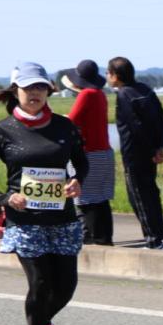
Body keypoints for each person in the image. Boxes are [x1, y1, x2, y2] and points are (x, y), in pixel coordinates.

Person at [0, 62, 87, 325]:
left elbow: (82, 163)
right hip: (25, 222)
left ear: (49, 90)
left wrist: (77, 181)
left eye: (40, 87)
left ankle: (42, 320)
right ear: (16, 91)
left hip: (62, 219)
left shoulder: (65, 127)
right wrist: (5, 198)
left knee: (65, 287)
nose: (34, 93)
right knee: (40, 284)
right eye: (28, 88)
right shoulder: (4, 131)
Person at [107, 56, 163, 250]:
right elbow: (162, 119)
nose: (108, 77)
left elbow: (135, 127)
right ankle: (161, 236)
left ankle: (153, 240)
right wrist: (160, 146)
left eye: (109, 73)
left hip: (136, 154)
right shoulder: (145, 90)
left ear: (116, 76)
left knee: (139, 197)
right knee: (151, 193)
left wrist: (153, 149)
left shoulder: (124, 94)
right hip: (151, 152)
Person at [62, 59, 115, 245]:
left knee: (86, 201)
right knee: (100, 200)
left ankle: (92, 239)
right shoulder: (99, 94)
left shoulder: (86, 95)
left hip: (89, 153)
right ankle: (104, 238)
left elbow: (71, 121)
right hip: (104, 153)